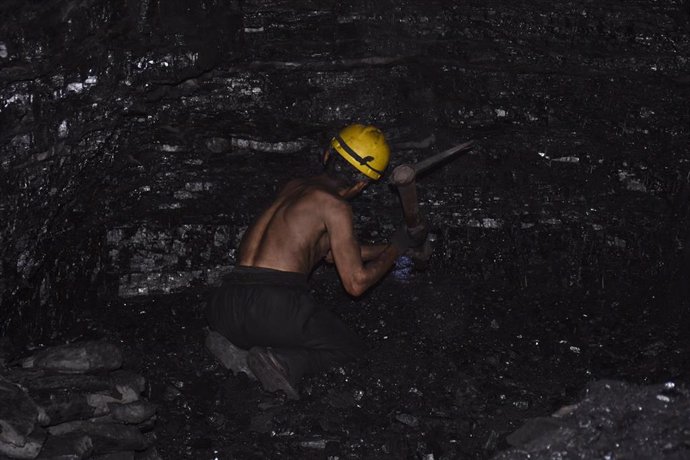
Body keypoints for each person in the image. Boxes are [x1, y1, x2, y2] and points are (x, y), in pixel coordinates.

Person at [206, 124, 426, 399]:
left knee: (263, 323)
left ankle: (238, 353)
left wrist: (394, 251)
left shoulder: (292, 188)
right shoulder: (335, 207)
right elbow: (355, 284)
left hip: (225, 305)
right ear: (362, 184)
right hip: (272, 308)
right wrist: (398, 245)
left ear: (327, 155)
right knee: (347, 348)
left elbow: (333, 253)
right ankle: (282, 362)